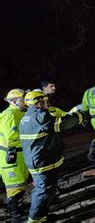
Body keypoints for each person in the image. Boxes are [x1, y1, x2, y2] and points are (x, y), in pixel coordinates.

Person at [19, 90, 85, 222]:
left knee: (44, 191)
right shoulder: (40, 117)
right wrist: (79, 115)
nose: (47, 104)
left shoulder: (26, 118)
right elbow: (65, 124)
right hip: (41, 162)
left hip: (38, 159)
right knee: (42, 193)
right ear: (38, 103)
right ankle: (35, 220)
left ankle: (41, 217)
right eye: (45, 102)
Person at [0, 89, 29, 221]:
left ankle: (18, 208)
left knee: (21, 183)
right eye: (23, 99)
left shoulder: (19, 113)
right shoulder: (9, 114)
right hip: (12, 157)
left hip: (19, 155)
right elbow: (11, 136)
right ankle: (15, 215)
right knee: (14, 186)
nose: (26, 102)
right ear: (14, 101)